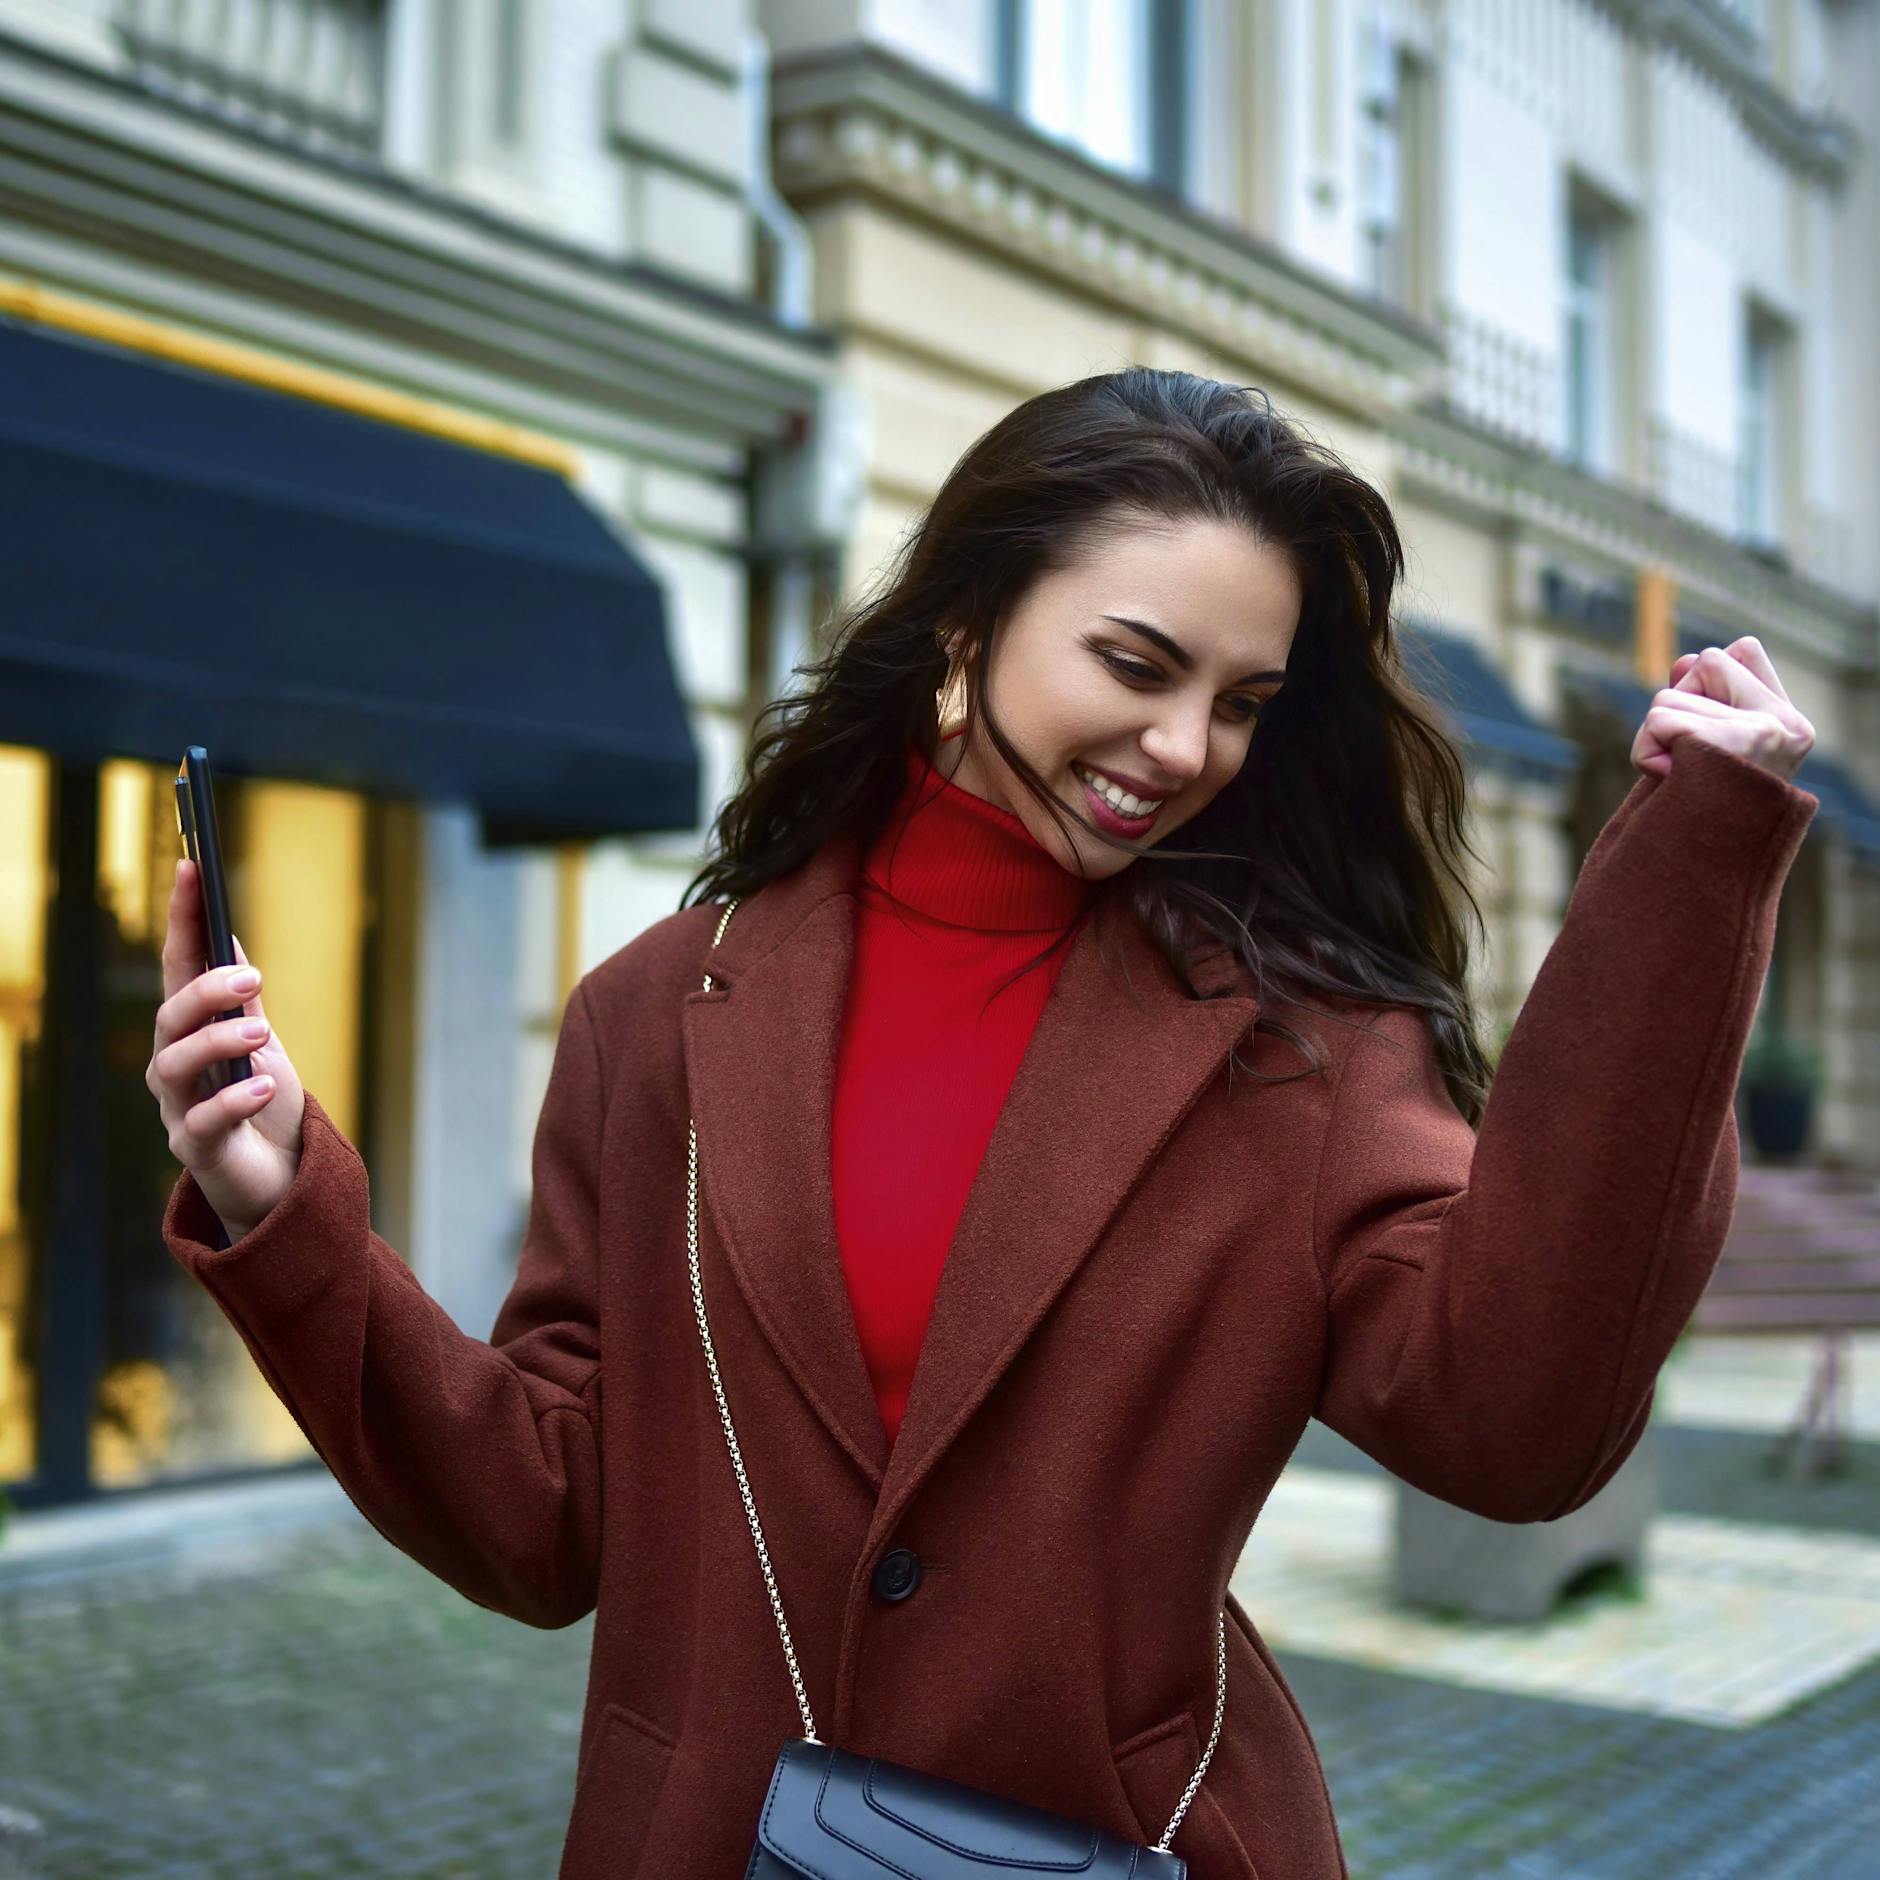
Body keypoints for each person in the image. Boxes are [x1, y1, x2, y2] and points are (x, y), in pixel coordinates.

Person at [147, 368, 1819, 1880]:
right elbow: (543, 1515)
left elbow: (1516, 1422)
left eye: (1243, 701)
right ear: (964, 626)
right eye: (1137, 663)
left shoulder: (1303, 1048)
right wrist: (282, 1200)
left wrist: (1687, 888)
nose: (1185, 750)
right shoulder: (655, 1013)